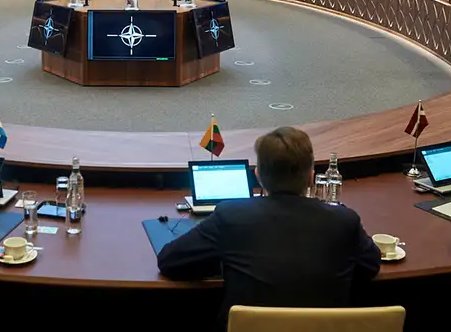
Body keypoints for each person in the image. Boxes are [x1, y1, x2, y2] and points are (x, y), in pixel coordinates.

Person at [157, 127, 380, 319]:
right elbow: (370, 266)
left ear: (258, 176)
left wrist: (226, 261)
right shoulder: (344, 221)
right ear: (311, 177)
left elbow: (170, 261)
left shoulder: (231, 216)